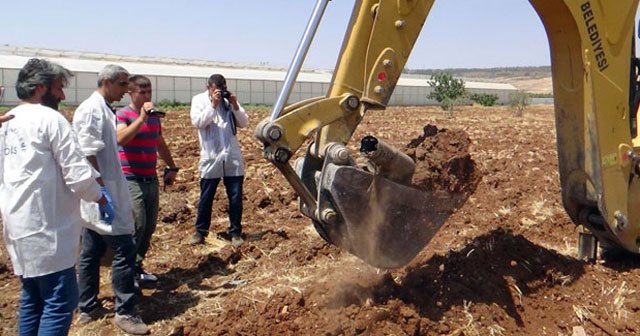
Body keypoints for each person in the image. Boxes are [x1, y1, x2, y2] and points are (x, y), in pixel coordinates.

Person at [0, 58, 113, 336]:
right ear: (41, 88)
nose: (62, 95)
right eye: (58, 88)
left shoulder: (7, 122)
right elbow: (76, 174)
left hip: (18, 224)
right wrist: (100, 198)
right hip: (46, 226)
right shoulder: (50, 119)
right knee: (60, 299)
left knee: (33, 298)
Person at [72, 65, 149, 335]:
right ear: (106, 81)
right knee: (125, 250)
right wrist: (101, 189)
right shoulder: (92, 109)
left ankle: (88, 306)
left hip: (102, 192)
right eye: (122, 84)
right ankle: (125, 311)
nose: (126, 89)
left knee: (91, 251)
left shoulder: (104, 107)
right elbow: (86, 150)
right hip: (103, 193)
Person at [116, 75, 179, 284]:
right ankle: (127, 272)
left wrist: (171, 166)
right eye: (141, 92)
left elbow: (159, 143)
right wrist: (141, 119)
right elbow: (121, 138)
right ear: (130, 93)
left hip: (150, 177)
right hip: (130, 179)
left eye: (149, 92)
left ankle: (137, 266)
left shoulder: (154, 117)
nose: (146, 96)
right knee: (138, 224)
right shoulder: (123, 114)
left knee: (150, 226)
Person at [189, 74, 248, 247]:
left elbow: (244, 123)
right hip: (211, 157)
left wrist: (235, 105)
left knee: (236, 197)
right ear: (208, 87)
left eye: (221, 89)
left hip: (231, 158)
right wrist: (213, 106)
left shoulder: (228, 102)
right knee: (206, 197)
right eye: (215, 89)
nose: (218, 92)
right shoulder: (199, 100)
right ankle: (200, 232)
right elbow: (197, 122)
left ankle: (235, 232)